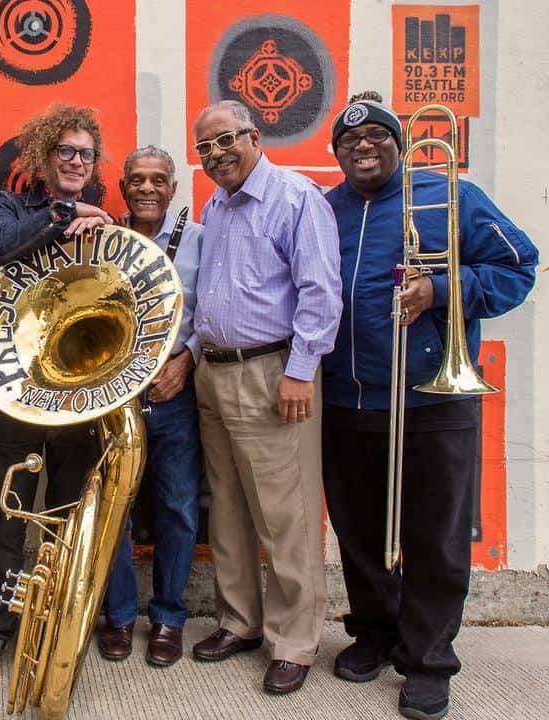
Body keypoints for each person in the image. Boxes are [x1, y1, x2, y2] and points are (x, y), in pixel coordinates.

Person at [323, 92, 538, 720]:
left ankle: (428, 661)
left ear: (397, 142)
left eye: (377, 137)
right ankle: (375, 634)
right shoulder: (325, 209)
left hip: (433, 398)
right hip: (347, 397)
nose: (364, 147)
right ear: (336, 154)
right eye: (349, 142)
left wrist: (442, 288)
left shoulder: (453, 194)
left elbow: (519, 266)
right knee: (359, 530)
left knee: (436, 536)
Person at [187, 100, 342, 695]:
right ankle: (240, 621)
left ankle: (294, 640)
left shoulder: (297, 198)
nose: (215, 155)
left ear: (253, 136)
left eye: (224, 140)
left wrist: (301, 371)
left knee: (287, 515)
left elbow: (320, 292)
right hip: (216, 372)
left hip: (274, 373)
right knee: (226, 507)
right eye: (204, 148)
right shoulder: (215, 206)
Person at [0, 104, 108, 681]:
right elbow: (0, 245)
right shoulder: (10, 207)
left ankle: (54, 623)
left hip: (78, 390)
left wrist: (98, 227)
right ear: (45, 159)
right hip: (14, 386)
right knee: (8, 512)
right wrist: (65, 213)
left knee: (68, 513)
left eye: (85, 154)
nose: (75, 161)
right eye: (64, 151)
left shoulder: (103, 221)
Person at [97, 146, 203, 668]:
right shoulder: (104, 243)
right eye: (136, 179)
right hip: (114, 397)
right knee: (112, 508)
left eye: (157, 180)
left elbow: (210, 310)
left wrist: (186, 360)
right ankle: (117, 616)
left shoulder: (199, 240)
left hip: (173, 394)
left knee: (178, 509)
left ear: (173, 188)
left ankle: (168, 618)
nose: (146, 188)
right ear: (122, 188)